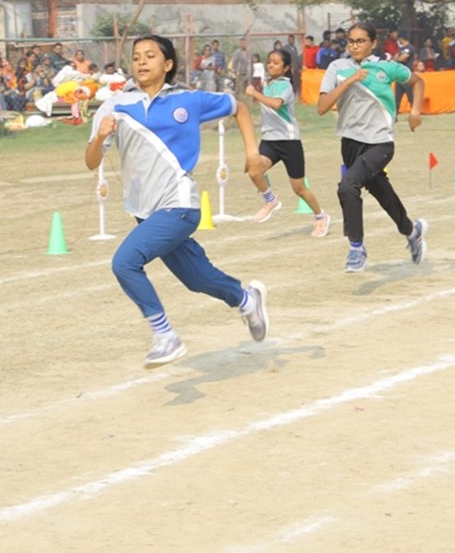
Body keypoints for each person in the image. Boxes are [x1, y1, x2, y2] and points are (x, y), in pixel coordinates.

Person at [84, 34, 269, 367]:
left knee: (125, 263)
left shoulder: (188, 100)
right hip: (145, 211)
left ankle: (165, 336)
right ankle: (246, 299)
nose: (141, 61)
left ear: (167, 64)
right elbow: (91, 161)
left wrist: (253, 153)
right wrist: (99, 137)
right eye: (136, 57)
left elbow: (239, 108)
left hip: (179, 206)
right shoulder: (115, 106)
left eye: (150, 55)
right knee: (197, 279)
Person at [317, 21, 428, 273]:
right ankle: (413, 231)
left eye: (361, 41)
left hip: (380, 142)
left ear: (373, 43)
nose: (355, 46)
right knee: (381, 192)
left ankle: (356, 248)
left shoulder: (386, 67)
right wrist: (349, 81)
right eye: (351, 41)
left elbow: (417, 81)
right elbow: (322, 107)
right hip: (350, 142)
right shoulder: (337, 68)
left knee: (347, 187)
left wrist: (415, 111)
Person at [244, 48, 330, 237]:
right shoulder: (268, 83)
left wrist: (254, 93)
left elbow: (276, 104)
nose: (270, 65)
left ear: (285, 68)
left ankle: (321, 216)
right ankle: (270, 200)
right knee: (254, 170)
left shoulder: (286, 86)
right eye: (269, 61)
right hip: (269, 141)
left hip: (289, 143)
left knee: (299, 188)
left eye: (276, 63)